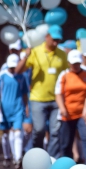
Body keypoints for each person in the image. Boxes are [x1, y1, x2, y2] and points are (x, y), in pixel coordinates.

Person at [16, 24, 68, 157]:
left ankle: (52, 159)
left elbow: (68, 74)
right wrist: (25, 57)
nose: (56, 42)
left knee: (55, 132)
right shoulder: (35, 51)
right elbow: (18, 71)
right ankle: (37, 155)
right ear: (47, 37)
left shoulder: (62, 54)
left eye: (58, 40)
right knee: (39, 130)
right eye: (53, 39)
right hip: (38, 98)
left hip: (56, 99)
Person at [55, 50, 86, 165]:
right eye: (73, 63)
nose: (76, 66)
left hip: (82, 113)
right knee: (66, 143)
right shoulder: (64, 75)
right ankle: (67, 166)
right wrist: (62, 109)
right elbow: (58, 94)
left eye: (78, 63)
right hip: (67, 113)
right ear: (68, 63)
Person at [0, 54, 29, 169]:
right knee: (6, 134)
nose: (13, 69)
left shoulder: (21, 77)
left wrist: (26, 106)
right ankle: (7, 156)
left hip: (18, 109)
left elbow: (24, 93)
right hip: (4, 110)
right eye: (11, 67)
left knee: (17, 133)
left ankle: (18, 158)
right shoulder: (2, 76)